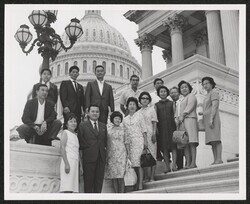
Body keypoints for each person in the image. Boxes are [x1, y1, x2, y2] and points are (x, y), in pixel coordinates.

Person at [78, 105, 107, 193]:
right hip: (89, 158)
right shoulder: (83, 125)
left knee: (99, 183)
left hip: (101, 158)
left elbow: (105, 141)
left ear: (99, 113)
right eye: (93, 111)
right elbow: (80, 141)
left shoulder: (103, 126)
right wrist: (89, 148)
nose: (95, 113)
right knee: (88, 184)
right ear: (88, 113)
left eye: (97, 112)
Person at [123, 97, 147, 190]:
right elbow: (125, 133)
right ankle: (134, 183)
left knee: (139, 163)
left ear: (136, 106)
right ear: (127, 106)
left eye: (133, 104)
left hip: (139, 141)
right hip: (129, 143)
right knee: (132, 164)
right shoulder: (125, 119)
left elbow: (144, 129)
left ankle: (140, 183)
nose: (132, 106)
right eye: (130, 104)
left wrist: (145, 141)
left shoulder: (140, 115)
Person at [200, 77, 223, 165]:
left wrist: (211, 119)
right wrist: (203, 113)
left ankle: (219, 159)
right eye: (203, 84)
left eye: (207, 83)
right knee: (212, 141)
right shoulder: (207, 95)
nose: (205, 85)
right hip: (207, 119)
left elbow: (215, 106)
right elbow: (208, 108)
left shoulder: (214, 92)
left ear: (211, 83)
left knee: (216, 139)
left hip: (213, 119)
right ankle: (215, 159)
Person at [105, 111, 129, 193]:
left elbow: (127, 142)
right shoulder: (108, 130)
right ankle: (116, 194)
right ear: (112, 119)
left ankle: (121, 193)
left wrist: (128, 154)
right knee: (114, 176)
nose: (117, 120)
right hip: (111, 154)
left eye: (119, 118)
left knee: (121, 175)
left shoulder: (124, 130)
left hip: (122, 154)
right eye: (116, 118)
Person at [155, 86, 177, 172]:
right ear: (158, 94)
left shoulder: (172, 103)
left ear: (167, 93)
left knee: (174, 147)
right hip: (162, 128)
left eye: (164, 91)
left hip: (172, 127)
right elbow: (155, 118)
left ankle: (174, 165)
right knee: (164, 149)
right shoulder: (156, 105)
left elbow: (175, 114)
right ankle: (167, 166)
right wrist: (156, 128)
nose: (163, 93)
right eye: (161, 92)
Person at [177, 80, 199, 169]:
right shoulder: (181, 100)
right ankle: (188, 163)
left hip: (190, 119)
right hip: (183, 121)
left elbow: (190, 106)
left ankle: (193, 162)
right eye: (182, 88)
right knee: (185, 142)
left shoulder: (191, 96)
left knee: (192, 142)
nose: (184, 89)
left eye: (185, 87)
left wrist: (183, 115)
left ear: (189, 88)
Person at [137, 92, 158, 181]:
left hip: (150, 135)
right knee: (144, 156)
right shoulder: (138, 112)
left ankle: (152, 177)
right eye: (143, 98)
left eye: (146, 98)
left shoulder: (152, 110)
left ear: (149, 100)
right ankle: (146, 177)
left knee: (152, 155)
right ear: (140, 100)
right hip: (141, 136)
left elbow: (154, 122)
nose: (144, 100)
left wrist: (154, 134)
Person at [59, 113, 80, 193]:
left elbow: (77, 150)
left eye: (75, 121)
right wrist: (66, 164)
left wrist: (80, 165)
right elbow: (62, 148)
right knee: (67, 187)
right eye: (71, 121)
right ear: (67, 123)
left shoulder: (75, 135)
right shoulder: (65, 132)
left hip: (75, 162)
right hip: (68, 162)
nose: (73, 123)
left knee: (73, 188)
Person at [169, 86, 184, 170]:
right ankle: (178, 165)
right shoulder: (170, 104)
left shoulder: (181, 102)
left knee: (183, 146)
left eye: (175, 92)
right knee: (176, 147)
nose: (173, 94)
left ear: (178, 93)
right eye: (171, 93)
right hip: (173, 128)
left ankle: (185, 164)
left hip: (181, 125)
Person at [150, 78, 164, 162]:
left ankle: (167, 158)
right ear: (154, 85)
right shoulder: (151, 95)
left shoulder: (166, 94)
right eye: (157, 83)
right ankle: (158, 156)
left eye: (160, 83)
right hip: (155, 120)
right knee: (157, 138)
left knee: (164, 139)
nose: (159, 84)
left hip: (164, 120)